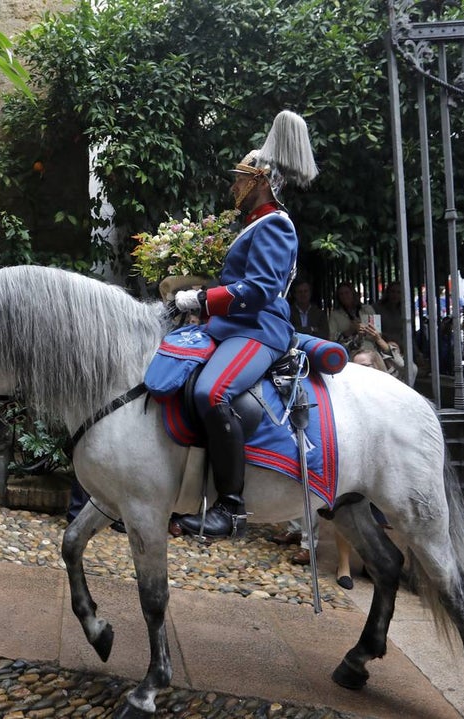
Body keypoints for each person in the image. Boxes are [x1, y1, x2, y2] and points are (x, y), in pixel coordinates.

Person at [172, 110, 317, 538]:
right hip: (233, 326)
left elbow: (259, 289)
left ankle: (231, 508)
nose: (234, 186)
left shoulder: (276, 226)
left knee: (211, 391)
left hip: (259, 329)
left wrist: (203, 297)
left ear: (261, 182)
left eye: (240, 178)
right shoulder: (254, 225)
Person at [328, 282, 377, 354]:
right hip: (347, 350)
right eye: (341, 294)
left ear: (353, 293)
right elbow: (331, 339)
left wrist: (363, 331)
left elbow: (377, 333)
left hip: (368, 348)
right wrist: (349, 331)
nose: (344, 296)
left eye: (347, 293)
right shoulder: (335, 314)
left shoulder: (367, 309)